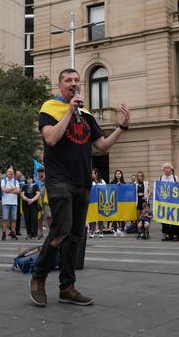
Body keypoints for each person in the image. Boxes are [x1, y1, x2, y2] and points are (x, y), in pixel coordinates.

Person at [30, 67, 130, 307]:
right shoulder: (49, 108)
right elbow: (51, 138)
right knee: (60, 231)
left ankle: (68, 287)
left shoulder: (86, 114)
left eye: (76, 79)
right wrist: (68, 111)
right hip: (59, 180)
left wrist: (122, 127)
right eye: (68, 80)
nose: (73, 83)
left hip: (83, 181)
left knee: (75, 236)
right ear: (60, 85)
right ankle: (38, 278)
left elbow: (102, 145)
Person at [157, 163, 179, 241]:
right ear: (163, 170)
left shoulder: (175, 178)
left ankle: (175, 234)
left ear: (171, 169)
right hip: (164, 202)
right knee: (164, 218)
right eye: (165, 168)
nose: (167, 169)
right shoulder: (160, 178)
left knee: (174, 218)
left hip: (174, 202)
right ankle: (166, 234)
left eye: (168, 168)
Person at [0, 168, 20, 241]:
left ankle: (12, 232)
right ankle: (4, 233)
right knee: (5, 219)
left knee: (14, 219)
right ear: (6, 173)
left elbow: (18, 191)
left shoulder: (16, 181)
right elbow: (3, 190)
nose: (11, 173)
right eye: (9, 171)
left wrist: (8, 190)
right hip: (5, 202)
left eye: (12, 172)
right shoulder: (3, 180)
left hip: (14, 203)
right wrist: (13, 189)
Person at [21, 174, 41, 240]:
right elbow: (22, 195)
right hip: (26, 204)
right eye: (28, 178)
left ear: (32, 179)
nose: (29, 180)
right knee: (27, 219)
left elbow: (38, 194)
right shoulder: (24, 186)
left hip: (34, 204)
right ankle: (29, 233)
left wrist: (32, 200)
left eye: (30, 178)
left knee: (34, 218)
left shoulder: (36, 185)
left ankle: (34, 234)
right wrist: (27, 199)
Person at [88, 168, 106, 238]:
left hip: (100, 201)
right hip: (92, 202)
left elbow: (106, 188)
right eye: (92, 173)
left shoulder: (102, 181)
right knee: (92, 217)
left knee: (100, 217)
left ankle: (101, 232)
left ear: (97, 174)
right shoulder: (89, 181)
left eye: (93, 173)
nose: (92, 174)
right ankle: (92, 232)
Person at [110, 169, 126, 237]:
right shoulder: (112, 182)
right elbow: (110, 190)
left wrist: (121, 186)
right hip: (114, 202)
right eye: (117, 174)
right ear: (115, 175)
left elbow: (125, 192)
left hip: (122, 202)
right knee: (115, 217)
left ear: (121, 175)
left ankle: (122, 231)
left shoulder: (124, 183)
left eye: (119, 173)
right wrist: (116, 186)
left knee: (122, 217)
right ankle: (115, 231)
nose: (118, 175)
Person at [37, 167, 51, 239]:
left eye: (42, 171)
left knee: (49, 216)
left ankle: (51, 232)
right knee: (39, 217)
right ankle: (40, 233)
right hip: (38, 201)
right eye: (39, 172)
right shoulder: (36, 181)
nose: (41, 173)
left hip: (46, 201)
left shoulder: (48, 180)